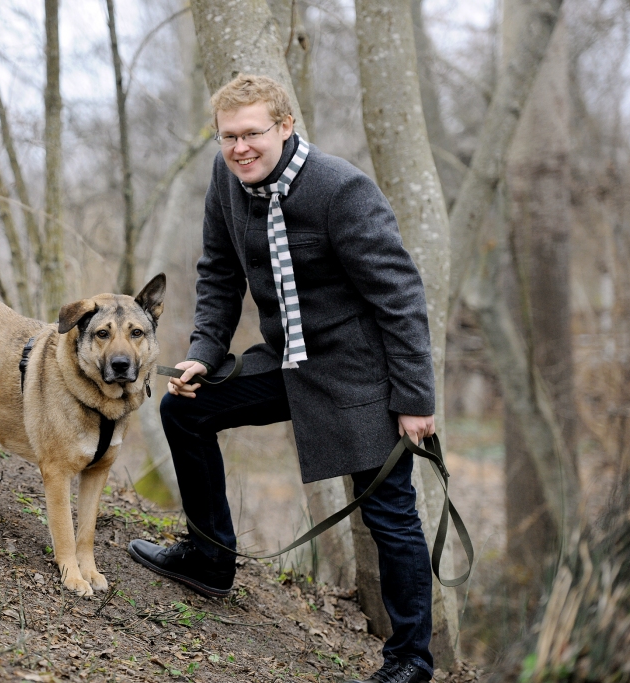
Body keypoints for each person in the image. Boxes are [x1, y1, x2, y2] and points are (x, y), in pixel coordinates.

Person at [126, 74, 437, 683]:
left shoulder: (341, 191)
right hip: (289, 360)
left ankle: (410, 662)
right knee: (186, 408)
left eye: (252, 134)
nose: (240, 147)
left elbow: (401, 300)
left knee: (391, 516)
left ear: (286, 126)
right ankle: (209, 558)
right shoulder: (228, 179)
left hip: (357, 375)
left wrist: (414, 399)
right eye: (228, 136)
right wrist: (205, 353)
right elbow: (218, 270)